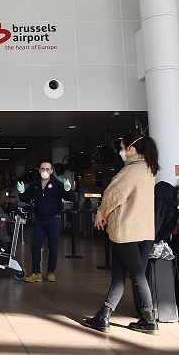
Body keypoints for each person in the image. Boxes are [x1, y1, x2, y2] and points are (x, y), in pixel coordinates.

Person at [84, 132, 160, 335]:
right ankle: (104, 315)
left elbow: (113, 194)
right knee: (120, 275)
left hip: (126, 230)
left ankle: (148, 319)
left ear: (132, 149)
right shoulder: (149, 169)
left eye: (122, 147)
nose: (121, 151)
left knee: (136, 275)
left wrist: (101, 212)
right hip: (144, 230)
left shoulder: (131, 171)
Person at [18, 161, 75, 283]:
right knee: (35, 246)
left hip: (53, 219)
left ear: (51, 171)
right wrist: (21, 192)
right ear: (39, 170)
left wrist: (68, 190)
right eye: (42, 169)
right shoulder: (35, 185)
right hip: (39, 220)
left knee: (53, 247)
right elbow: (26, 198)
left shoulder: (58, 185)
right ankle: (36, 273)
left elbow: (71, 198)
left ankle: (51, 273)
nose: (45, 171)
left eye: (47, 169)